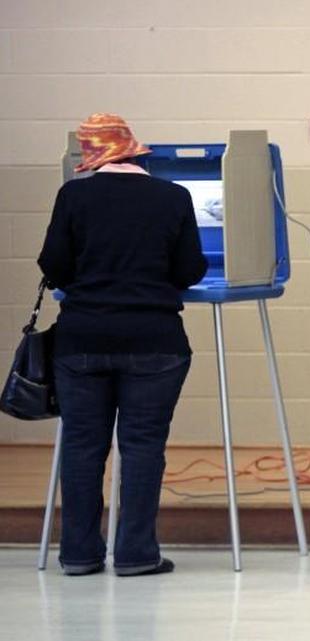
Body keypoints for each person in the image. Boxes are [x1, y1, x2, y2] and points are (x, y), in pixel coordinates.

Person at [38, 113, 207, 576]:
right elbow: (190, 269)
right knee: (143, 445)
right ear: (135, 151)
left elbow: (53, 265)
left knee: (82, 446)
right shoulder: (173, 196)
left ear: (92, 158)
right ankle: (136, 554)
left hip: (82, 339)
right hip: (155, 341)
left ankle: (78, 554)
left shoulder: (73, 195)